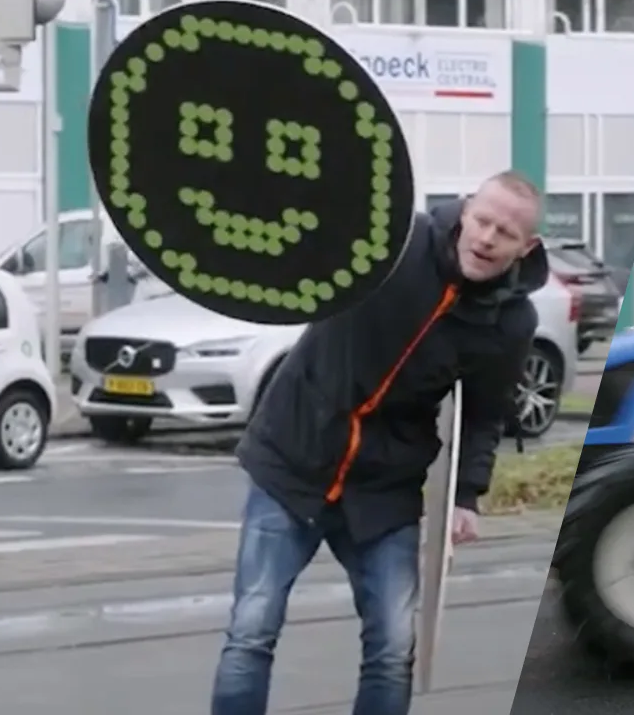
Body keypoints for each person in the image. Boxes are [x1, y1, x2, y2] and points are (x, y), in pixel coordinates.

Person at [210, 170, 546, 715]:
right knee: (251, 629)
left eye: (505, 234)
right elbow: (308, 230)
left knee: (393, 646)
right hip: (294, 456)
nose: (487, 239)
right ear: (464, 211)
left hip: (384, 488)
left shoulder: (510, 320)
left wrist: (466, 496)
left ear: (525, 247)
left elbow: (485, 414)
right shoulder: (392, 241)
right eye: (483, 221)